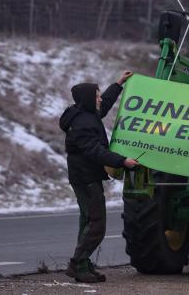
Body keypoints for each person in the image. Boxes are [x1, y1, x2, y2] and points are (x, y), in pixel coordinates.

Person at [58, 71, 138, 283]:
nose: (100, 99)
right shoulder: (83, 123)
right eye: (97, 96)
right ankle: (77, 264)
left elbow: (105, 105)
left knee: (87, 222)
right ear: (88, 99)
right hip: (86, 178)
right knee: (96, 225)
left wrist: (118, 83)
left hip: (84, 175)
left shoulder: (84, 113)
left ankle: (83, 265)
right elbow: (95, 151)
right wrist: (122, 161)